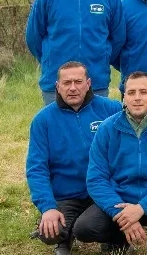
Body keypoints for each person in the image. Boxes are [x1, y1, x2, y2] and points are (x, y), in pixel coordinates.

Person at [74, 72, 147, 255]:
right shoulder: (107, 128)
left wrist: (142, 207)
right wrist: (121, 215)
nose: (137, 98)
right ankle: (118, 238)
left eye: (143, 92)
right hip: (119, 201)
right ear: (124, 96)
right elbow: (96, 179)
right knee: (84, 228)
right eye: (131, 92)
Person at [26, 62, 122, 255]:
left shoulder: (112, 110)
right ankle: (63, 239)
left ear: (88, 83)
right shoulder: (43, 120)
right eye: (66, 82)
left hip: (106, 191)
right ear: (57, 86)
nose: (72, 87)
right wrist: (47, 207)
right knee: (50, 233)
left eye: (78, 81)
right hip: (67, 195)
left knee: (87, 227)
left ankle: (113, 237)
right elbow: (37, 169)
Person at [25, 0, 125, 106]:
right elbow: (34, 37)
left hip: (96, 82)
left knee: (95, 132)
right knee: (59, 131)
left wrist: (103, 57)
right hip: (56, 83)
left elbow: (118, 37)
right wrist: (51, 59)